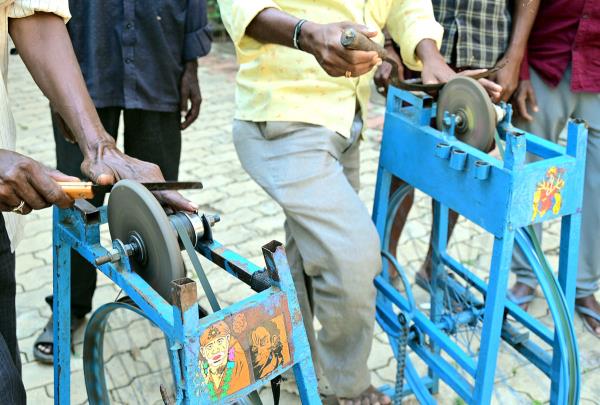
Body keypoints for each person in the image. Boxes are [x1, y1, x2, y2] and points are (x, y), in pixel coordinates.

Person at [216, 1, 500, 403]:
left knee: (311, 247)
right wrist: (308, 34)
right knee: (354, 256)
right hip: (285, 113)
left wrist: (429, 55)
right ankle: (346, 387)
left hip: (346, 116)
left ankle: (298, 367)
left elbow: (406, 5)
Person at [0, 2, 195, 403]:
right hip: (92, 60)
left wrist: (100, 144)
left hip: (155, 63)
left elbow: (30, 9)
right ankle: (70, 308)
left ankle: (163, 311)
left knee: (11, 384)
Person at [33, 0, 212, 363]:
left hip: (158, 55)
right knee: (77, 200)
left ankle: (164, 300)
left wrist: (190, 64)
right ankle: (70, 306)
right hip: (84, 60)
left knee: (158, 198)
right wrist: (56, 91)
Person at [375, 0, 540, 286]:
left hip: (483, 48)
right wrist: (388, 44)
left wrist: (515, 59)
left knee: (463, 162)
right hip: (418, 45)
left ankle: (433, 265)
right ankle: (384, 263)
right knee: (403, 157)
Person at [508, 0, 600, 338]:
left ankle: (582, 285)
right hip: (547, 60)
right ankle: (525, 277)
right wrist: (519, 70)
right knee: (532, 176)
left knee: (596, 186)